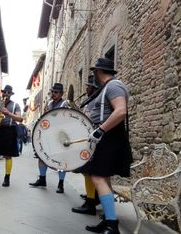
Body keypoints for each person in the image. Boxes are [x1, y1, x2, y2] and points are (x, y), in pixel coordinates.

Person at [83, 58, 132, 234]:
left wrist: (100, 130)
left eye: (94, 72)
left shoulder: (114, 86)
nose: (93, 75)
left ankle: (112, 225)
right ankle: (108, 219)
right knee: (103, 178)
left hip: (109, 136)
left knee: (97, 177)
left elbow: (121, 110)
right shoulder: (107, 87)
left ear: (99, 72)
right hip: (107, 136)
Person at [29, 83, 69, 193]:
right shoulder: (50, 103)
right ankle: (42, 179)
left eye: (56, 92)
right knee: (42, 156)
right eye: (53, 92)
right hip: (49, 134)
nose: (53, 94)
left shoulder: (65, 103)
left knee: (61, 159)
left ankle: (61, 184)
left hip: (61, 134)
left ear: (61, 93)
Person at [71, 75, 100, 215]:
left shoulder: (96, 101)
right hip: (87, 139)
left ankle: (91, 202)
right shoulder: (89, 101)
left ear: (93, 87)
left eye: (88, 86)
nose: (86, 88)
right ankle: (92, 197)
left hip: (93, 139)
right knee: (86, 171)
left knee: (88, 170)